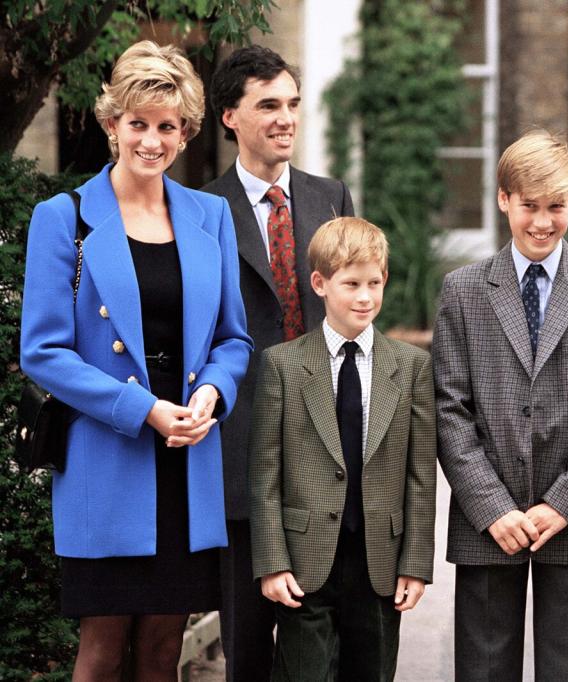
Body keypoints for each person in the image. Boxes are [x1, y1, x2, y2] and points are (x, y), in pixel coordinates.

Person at [19, 40, 252, 680]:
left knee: (161, 650)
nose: (152, 141)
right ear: (112, 123)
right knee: (99, 650)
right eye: (138, 124)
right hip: (108, 457)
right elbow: (41, 351)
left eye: (168, 127)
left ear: (187, 132)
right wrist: (143, 408)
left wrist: (212, 393)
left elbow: (234, 339)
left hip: (186, 462)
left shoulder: (211, 217)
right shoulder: (62, 218)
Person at [433, 129, 568, 681]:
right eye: (529, 206)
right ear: (504, 199)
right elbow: (448, 408)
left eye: (557, 206)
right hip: (488, 524)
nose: (543, 222)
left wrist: (564, 503)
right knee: (482, 669)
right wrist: (491, 506)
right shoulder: (463, 290)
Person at [203, 45, 355, 681]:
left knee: (325, 641)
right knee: (245, 643)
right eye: (268, 105)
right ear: (230, 117)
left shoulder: (331, 196)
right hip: (240, 447)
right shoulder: (200, 208)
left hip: (327, 447)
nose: (286, 118)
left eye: (292, 103)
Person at [248, 216, 436, 681]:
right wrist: (272, 563)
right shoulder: (284, 365)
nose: (364, 296)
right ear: (320, 283)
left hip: (379, 565)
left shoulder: (410, 366)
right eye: (351, 284)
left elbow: (421, 477)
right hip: (305, 564)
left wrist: (415, 564)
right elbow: (265, 474)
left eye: (374, 282)